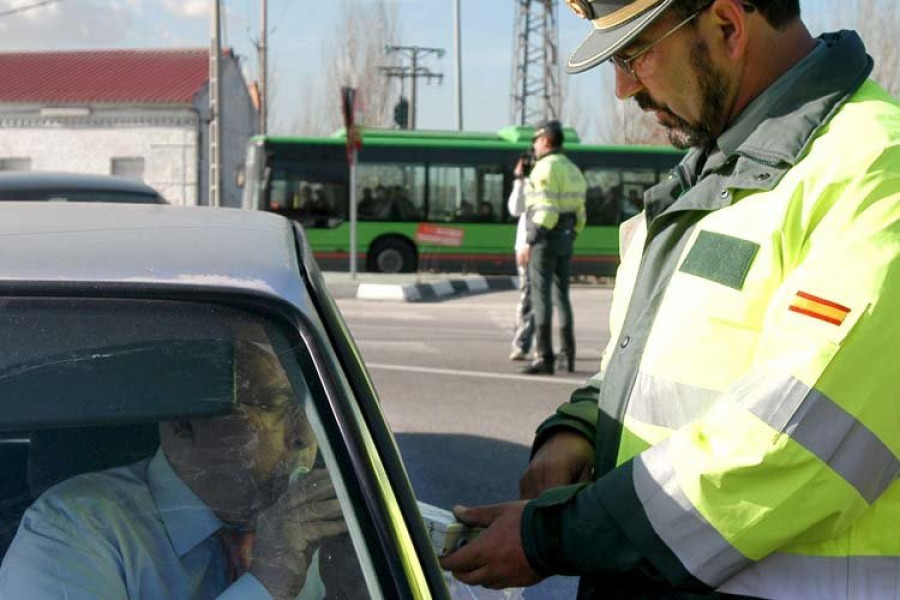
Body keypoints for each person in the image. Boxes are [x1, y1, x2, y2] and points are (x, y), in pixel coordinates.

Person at [441, 1, 900, 598]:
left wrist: (551, 538)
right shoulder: (716, 172)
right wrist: (580, 429)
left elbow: (788, 443)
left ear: (729, 27)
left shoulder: (873, 171)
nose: (622, 87)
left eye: (634, 55)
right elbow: (658, 361)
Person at [0, 341, 349, 600]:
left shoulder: (310, 532)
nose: (303, 437)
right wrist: (267, 582)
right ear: (182, 422)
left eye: (305, 411)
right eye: (273, 407)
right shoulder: (74, 530)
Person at [517, 119, 587, 375]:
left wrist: (530, 242)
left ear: (545, 140)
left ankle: (544, 357)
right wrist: (570, 235)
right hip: (566, 238)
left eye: (535, 140)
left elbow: (546, 212)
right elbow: (581, 213)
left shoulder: (544, 169)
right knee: (562, 297)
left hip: (545, 240)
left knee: (541, 296)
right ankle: (568, 355)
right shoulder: (572, 169)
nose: (533, 146)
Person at [508, 152, 536, 362]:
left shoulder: (544, 181)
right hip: (524, 248)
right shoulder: (526, 183)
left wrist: (529, 244)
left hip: (534, 247)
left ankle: (526, 344)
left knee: (531, 300)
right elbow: (515, 209)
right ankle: (527, 343)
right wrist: (519, 180)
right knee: (528, 299)